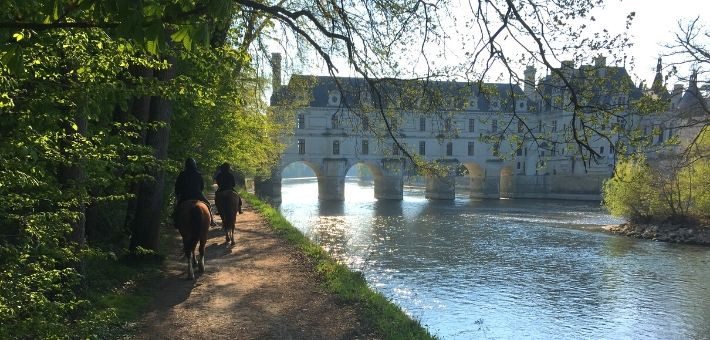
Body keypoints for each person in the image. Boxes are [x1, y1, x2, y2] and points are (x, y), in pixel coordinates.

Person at [174, 158, 216, 227]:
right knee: (208, 204)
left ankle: (176, 221)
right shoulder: (198, 174)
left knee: (177, 208)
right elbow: (202, 186)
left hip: (185, 196)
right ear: (194, 165)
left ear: (186, 165)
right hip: (197, 195)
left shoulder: (182, 174)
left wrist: (178, 194)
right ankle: (211, 220)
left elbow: (177, 186)